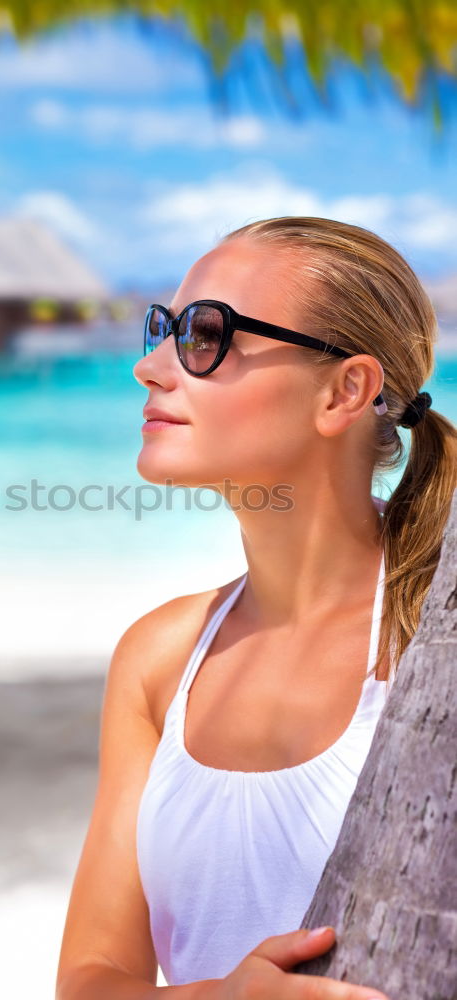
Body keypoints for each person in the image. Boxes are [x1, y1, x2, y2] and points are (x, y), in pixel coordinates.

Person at [55, 216, 457, 1000]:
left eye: (205, 335)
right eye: (161, 329)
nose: (149, 367)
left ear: (346, 390)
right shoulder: (159, 659)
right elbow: (91, 979)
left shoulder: (434, 646)